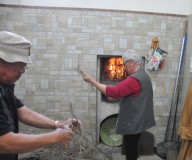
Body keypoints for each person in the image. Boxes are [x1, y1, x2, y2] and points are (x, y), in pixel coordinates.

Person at [0, 31, 81, 160]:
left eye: (24, 69)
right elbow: (4, 142)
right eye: (20, 67)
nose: (21, 73)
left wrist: (58, 125)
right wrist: (53, 137)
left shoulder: (4, 85)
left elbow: (23, 112)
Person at [82, 49, 156, 160]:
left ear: (131, 62)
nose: (124, 67)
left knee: (130, 150)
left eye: (124, 64)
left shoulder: (134, 79)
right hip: (140, 119)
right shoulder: (143, 75)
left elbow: (113, 92)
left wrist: (92, 80)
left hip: (133, 121)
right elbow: (132, 94)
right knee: (133, 148)